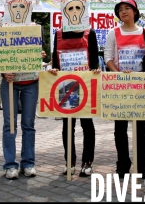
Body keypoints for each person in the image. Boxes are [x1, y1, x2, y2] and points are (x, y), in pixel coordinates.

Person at [104, 0, 145, 178]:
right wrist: (119, 74)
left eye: (127, 8)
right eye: (120, 9)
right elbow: (108, 57)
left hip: (141, 88)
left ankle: (143, 166)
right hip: (121, 87)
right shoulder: (113, 33)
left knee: (140, 128)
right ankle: (122, 165)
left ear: (135, 12)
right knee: (120, 129)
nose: (123, 12)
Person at [48, 24, 100, 176]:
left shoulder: (89, 33)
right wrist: (54, 70)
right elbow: (56, 63)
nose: (74, 13)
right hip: (66, 84)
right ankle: (69, 160)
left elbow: (95, 59)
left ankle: (87, 161)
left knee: (87, 124)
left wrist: (95, 69)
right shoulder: (58, 34)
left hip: (85, 84)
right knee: (67, 125)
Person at [0, 24, 43, 180]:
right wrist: (3, 71)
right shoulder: (4, 27)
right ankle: (10, 164)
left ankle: (28, 163)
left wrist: (40, 57)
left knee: (28, 124)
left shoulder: (35, 27)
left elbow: (38, 52)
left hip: (31, 82)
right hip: (9, 82)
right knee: (9, 123)